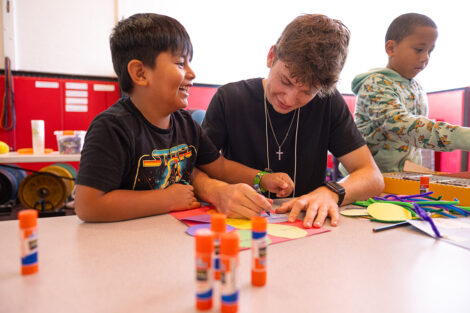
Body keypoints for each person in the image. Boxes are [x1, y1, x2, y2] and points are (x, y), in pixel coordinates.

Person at [74, 13, 294, 222]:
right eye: (180, 63)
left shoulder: (186, 124)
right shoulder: (112, 128)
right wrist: (166, 200)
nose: (192, 73)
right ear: (140, 73)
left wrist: (262, 178)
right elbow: (88, 206)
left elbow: (221, 167)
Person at [202, 14, 384, 229]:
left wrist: (332, 192)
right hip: (240, 224)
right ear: (271, 57)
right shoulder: (230, 98)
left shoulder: (327, 101)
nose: (289, 99)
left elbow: (372, 176)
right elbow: (193, 167)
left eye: (307, 92)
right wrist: (215, 191)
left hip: (305, 227)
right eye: (286, 81)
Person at [352, 13, 470, 173]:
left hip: (405, 175)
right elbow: (404, 126)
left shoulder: (417, 87)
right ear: (391, 48)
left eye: (430, 51)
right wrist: (463, 137)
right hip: (370, 177)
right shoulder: (375, 84)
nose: (425, 57)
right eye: (419, 49)